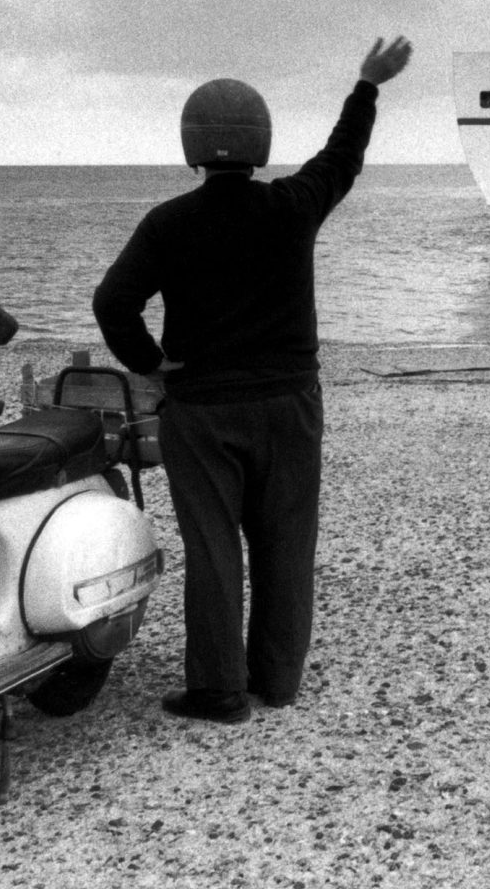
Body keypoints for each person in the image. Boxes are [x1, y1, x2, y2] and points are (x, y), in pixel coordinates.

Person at [93, 37, 414, 723]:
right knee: (287, 544)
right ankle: (278, 680)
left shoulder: (168, 223)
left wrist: (150, 364)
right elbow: (341, 159)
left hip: (202, 410)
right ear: (260, 141)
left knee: (213, 553)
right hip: (290, 404)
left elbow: (112, 304)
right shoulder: (292, 206)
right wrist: (366, 86)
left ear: (192, 145)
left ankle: (218, 691)